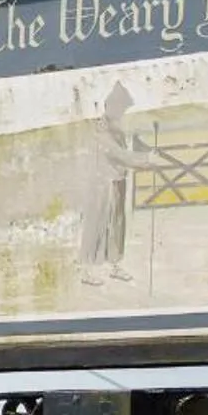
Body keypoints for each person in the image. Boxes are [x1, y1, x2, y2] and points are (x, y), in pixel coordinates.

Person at [81, 80, 155, 284]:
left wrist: (143, 157)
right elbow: (117, 154)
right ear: (111, 107)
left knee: (117, 224)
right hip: (102, 183)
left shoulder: (117, 128)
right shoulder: (101, 129)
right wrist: (144, 160)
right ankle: (87, 269)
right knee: (97, 224)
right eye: (121, 108)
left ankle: (114, 264)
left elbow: (124, 153)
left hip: (118, 180)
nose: (122, 112)